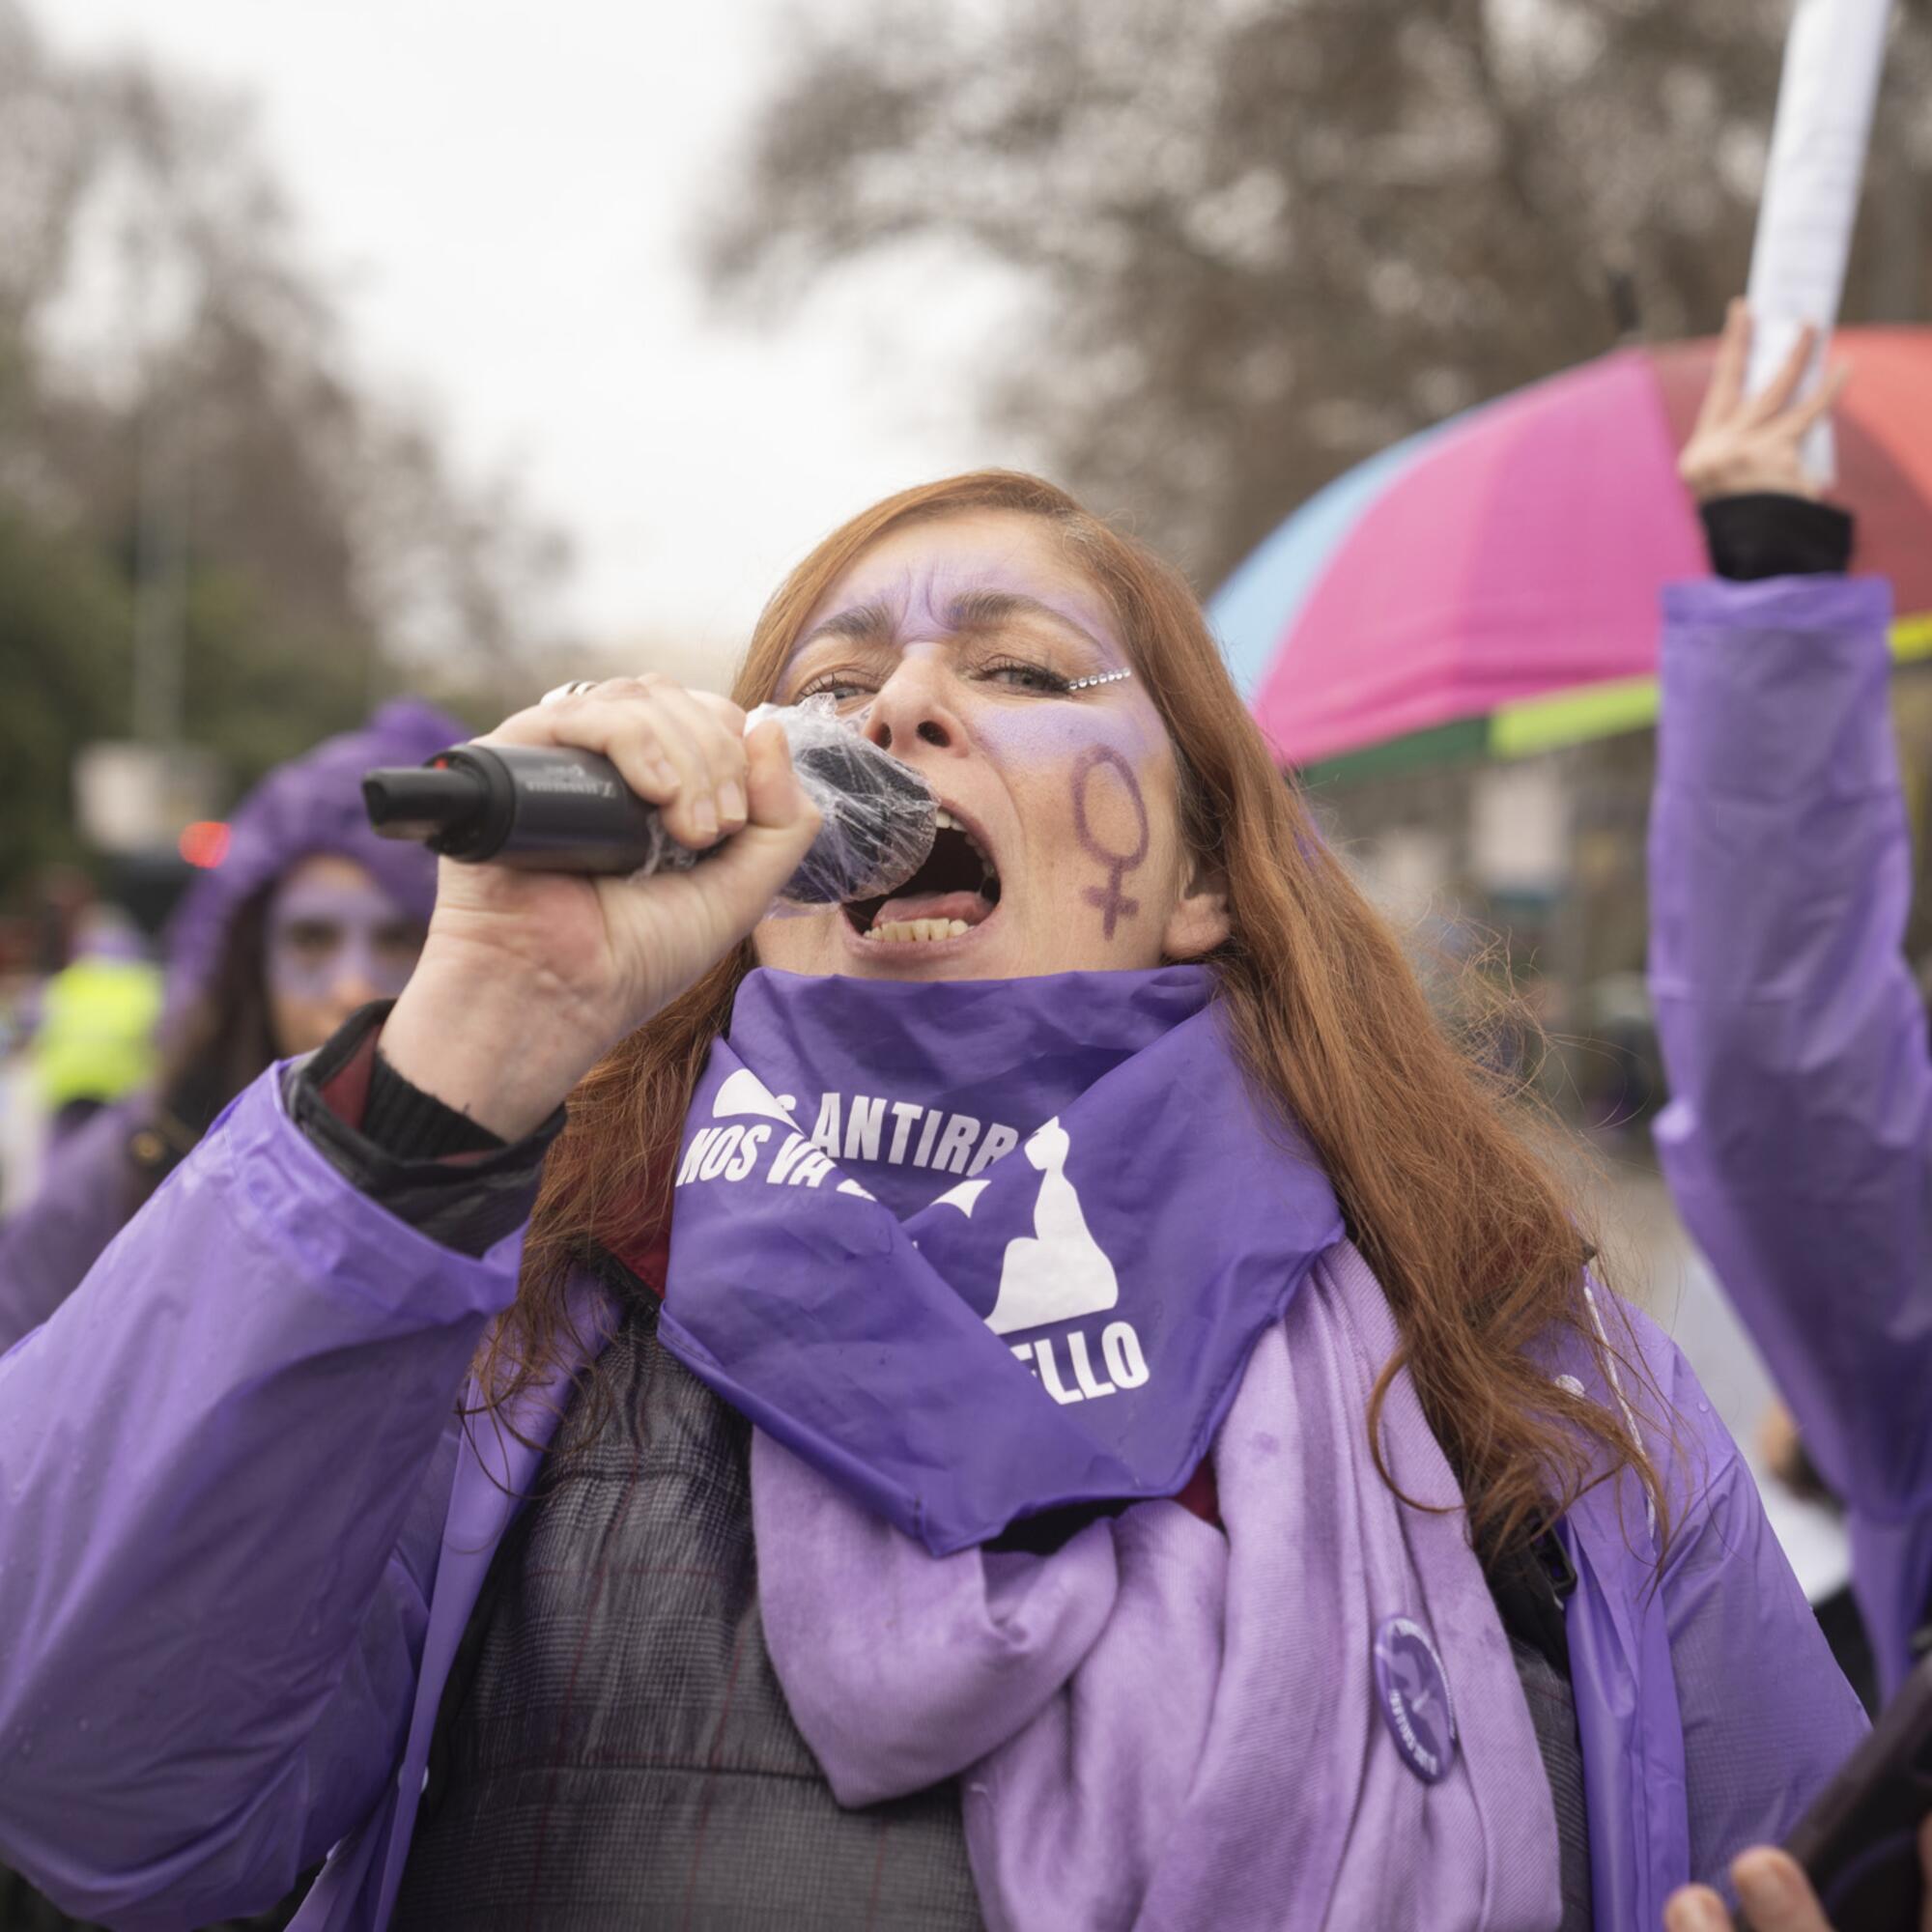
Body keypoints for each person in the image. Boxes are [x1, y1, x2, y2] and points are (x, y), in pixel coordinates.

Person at [0, 473, 1867, 1931]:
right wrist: (473, 1033)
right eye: (826, 690)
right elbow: (93, 1788)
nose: (900, 699)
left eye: (1024, 671)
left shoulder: (1522, 1376)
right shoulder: (506, 1327)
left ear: (1209, 872)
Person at [0, 701, 456, 1353]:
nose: (352, 987)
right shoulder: (137, 1162)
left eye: (396, 938)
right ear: (251, 960)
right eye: (311, 938)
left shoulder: (533, 1183)